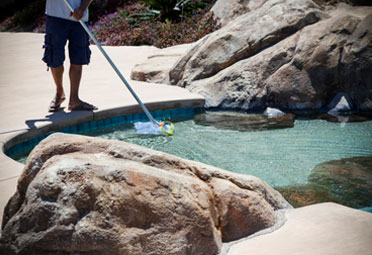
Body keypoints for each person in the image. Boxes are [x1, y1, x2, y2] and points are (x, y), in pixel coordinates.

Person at [43, 0, 97, 112]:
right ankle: (59, 93)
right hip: (55, 16)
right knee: (55, 57)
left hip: (79, 17)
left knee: (78, 58)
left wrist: (82, 8)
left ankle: (74, 99)